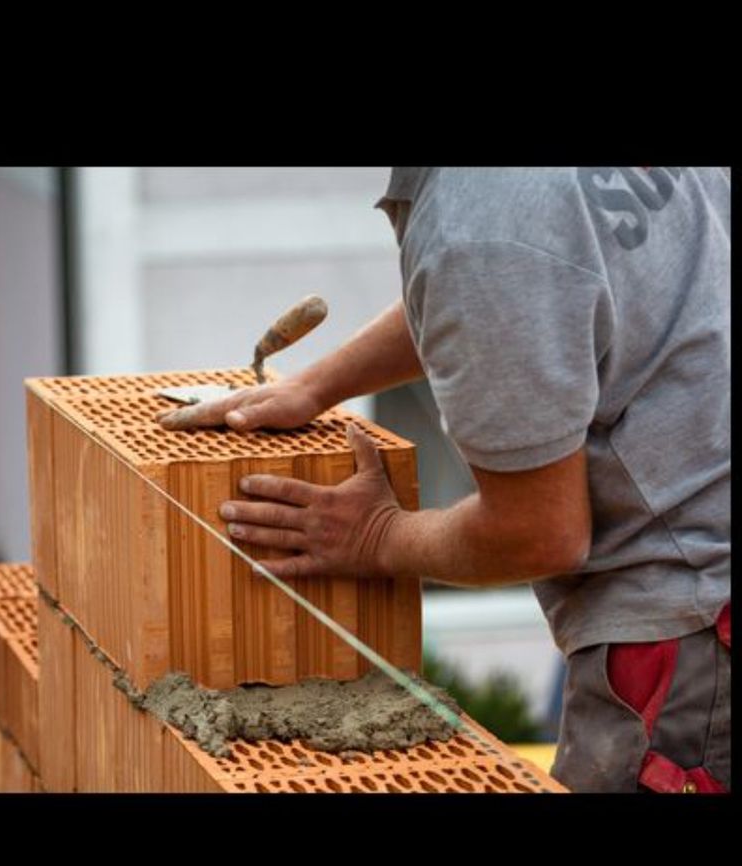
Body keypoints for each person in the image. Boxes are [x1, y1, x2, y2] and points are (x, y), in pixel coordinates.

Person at [156, 167, 730, 794]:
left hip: (695, 636)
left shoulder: (479, 224)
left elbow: (540, 534)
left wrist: (376, 537)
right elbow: (516, 290)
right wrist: (317, 385)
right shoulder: (499, 220)